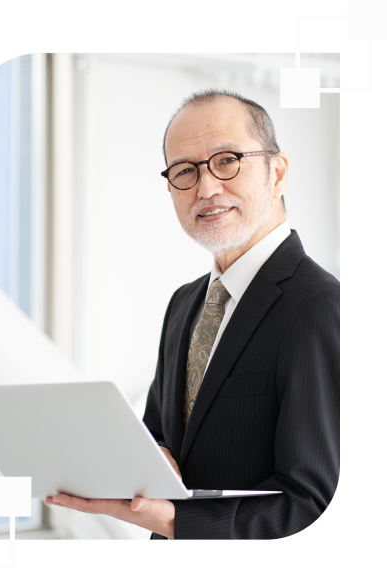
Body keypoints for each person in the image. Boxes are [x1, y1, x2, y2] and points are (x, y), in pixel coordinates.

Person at [45, 89, 340, 540]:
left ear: (277, 172)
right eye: (185, 170)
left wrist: (175, 521)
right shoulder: (185, 303)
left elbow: (313, 503)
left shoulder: (319, 307)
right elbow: (162, 437)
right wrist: (146, 462)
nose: (206, 188)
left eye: (227, 161)